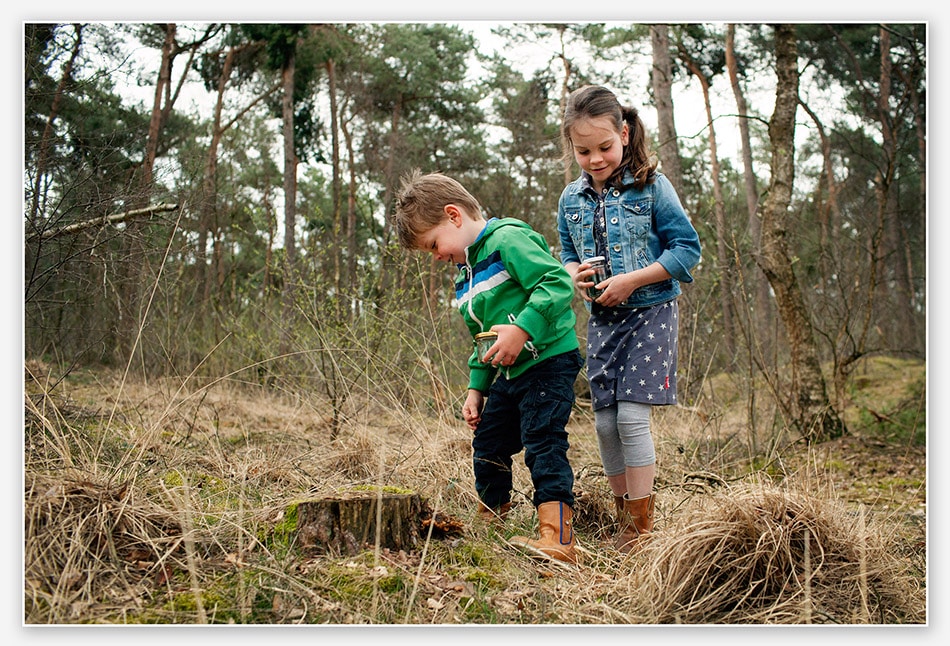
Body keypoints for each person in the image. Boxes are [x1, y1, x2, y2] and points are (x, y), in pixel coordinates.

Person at [392, 170, 584, 566]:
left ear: (454, 215)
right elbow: (480, 341)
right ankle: (494, 520)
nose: (438, 256)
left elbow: (557, 284)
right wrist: (476, 390)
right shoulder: (466, 277)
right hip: (509, 374)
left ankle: (559, 536)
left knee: (542, 439)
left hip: (548, 361)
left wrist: (522, 328)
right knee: (489, 442)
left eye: (434, 244)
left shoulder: (506, 240)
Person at [556, 85, 701, 554]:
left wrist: (633, 280)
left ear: (623, 133)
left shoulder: (652, 187)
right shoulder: (570, 199)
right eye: (583, 151)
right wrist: (571, 274)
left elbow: (687, 249)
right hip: (603, 319)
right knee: (603, 423)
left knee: (633, 418)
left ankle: (641, 531)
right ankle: (623, 517)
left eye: (604, 147)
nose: (595, 159)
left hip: (652, 313)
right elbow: (568, 256)